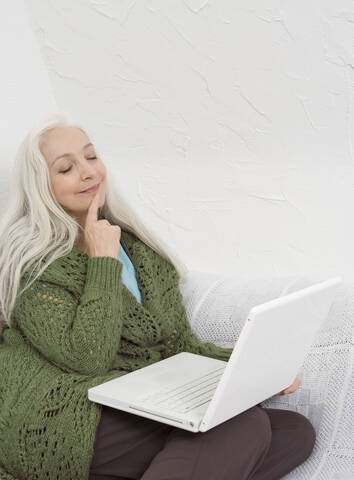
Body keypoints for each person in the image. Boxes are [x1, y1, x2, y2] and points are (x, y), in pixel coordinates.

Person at [0, 112, 316, 480]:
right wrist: (101, 261)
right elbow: (88, 359)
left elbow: (178, 345)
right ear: (42, 186)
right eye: (66, 168)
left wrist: (254, 371)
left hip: (139, 402)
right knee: (244, 428)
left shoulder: (138, 251)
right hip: (62, 413)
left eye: (91, 156)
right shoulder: (35, 265)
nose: (88, 172)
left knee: (292, 431)